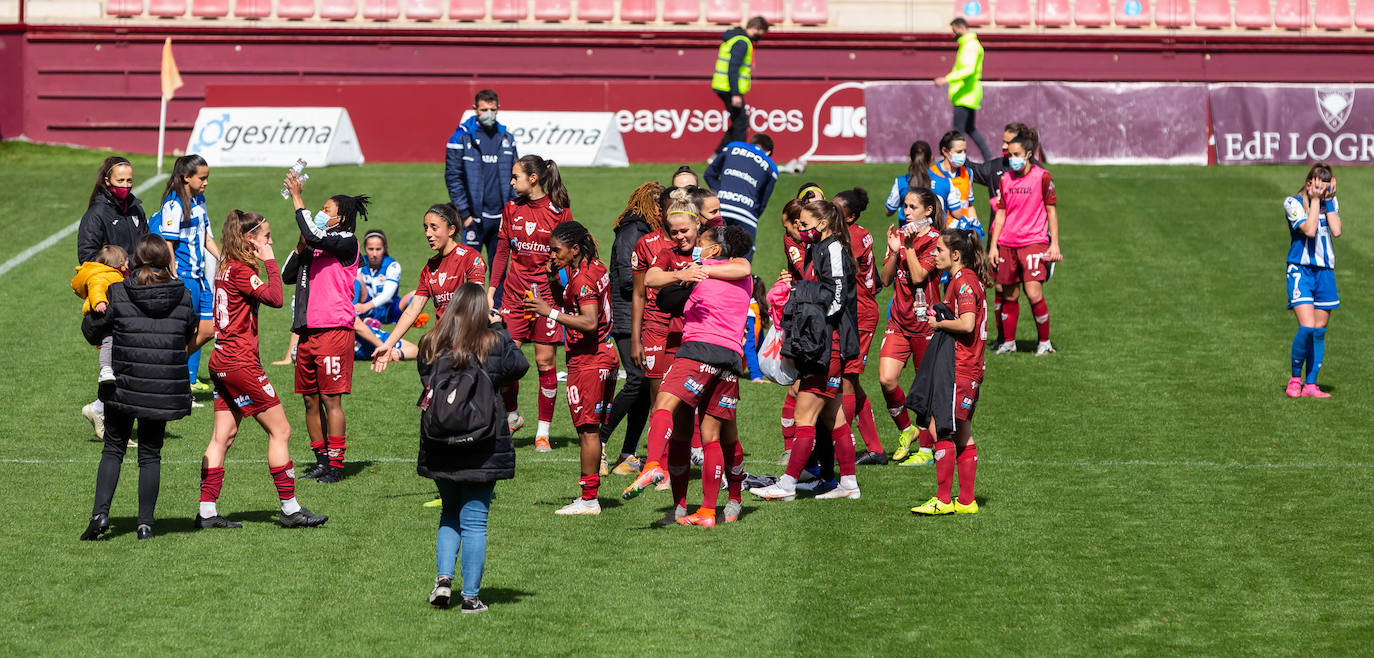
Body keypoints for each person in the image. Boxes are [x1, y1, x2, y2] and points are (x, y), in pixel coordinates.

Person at [198, 209, 328, 530]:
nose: (270, 241)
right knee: (280, 430)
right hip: (241, 363)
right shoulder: (241, 269)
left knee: (222, 436)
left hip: (220, 361)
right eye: (266, 236)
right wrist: (269, 259)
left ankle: (207, 512)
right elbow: (275, 297)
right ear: (249, 239)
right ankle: (290, 509)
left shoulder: (225, 266)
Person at [416, 283, 528, 613]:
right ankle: (471, 598)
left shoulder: (431, 342)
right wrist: (500, 327)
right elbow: (518, 367)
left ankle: (443, 581)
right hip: (483, 442)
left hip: (440, 442)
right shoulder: (491, 342)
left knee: (449, 512)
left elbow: (427, 381)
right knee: (475, 521)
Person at [79, 234, 197, 541]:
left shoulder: (119, 291)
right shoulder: (182, 294)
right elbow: (189, 330)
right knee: (150, 454)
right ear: (166, 261)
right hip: (160, 387)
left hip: (123, 383)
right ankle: (145, 524)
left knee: (113, 449)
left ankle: (100, 515)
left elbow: (93, 330)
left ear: (134, 261)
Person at [641, 226, 755, 527]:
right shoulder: (735, 275)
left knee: (665, 405)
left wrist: (694, 270)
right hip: (730, 360)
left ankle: (654, 464)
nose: (694, 247)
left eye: (701, 243)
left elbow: (656, 286)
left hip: (698, 351)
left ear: (715, 250)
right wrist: (689, 274)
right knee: (717, 435)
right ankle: (711, 508)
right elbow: (667, 297)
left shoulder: (708, 270)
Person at [751, 199, 862, 501]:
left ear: (823, 224)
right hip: (822, 341)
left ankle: (787, 485)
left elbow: (836, 298)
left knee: (804, 415)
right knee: (833, 418)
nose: (800, 230)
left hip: (827, 344)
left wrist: (798, 292)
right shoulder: (819, 249)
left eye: (804, 224)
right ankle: (849, 484)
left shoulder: (834, 249)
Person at [522, 221, 619, 516]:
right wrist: (553, 283)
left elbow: (588, 321)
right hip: (605, 354)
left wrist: (547, 311)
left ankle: (589, 499)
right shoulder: (592, 267)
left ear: (574, 249)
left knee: (587, 432)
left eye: (556, 250)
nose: (551, 255)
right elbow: (574, 301)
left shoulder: (582, 279)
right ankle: (588, 496)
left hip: (590, 360)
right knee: (591, 431)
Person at [281, 171, 370, 483]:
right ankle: (320, 459)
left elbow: (319, 236)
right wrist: (302, 240)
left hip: (333, 330)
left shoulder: (347, 242)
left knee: (332, 399)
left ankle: (336, 464)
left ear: (341, 216)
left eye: (327, 209)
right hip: (307, 331)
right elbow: (287, 275)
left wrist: (297, 197)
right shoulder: (316, 245)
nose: (321, 212)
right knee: (309, 399)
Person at [621, 190, 704, 499]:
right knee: (661, 400)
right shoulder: (653, 246)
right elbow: (644, 288)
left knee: (692, 399)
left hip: (695, 329)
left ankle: (698, 459)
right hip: (657, 329)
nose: (679, 234)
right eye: (675, 228)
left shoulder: (707, 245)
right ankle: (661, 468)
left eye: (685, 228)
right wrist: (636, 337)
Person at [489, 156, 574, 451]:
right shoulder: (511, 209)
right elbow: (501, 252)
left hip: (546, 297)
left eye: (516, 177)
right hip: (513, 295)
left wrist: (562, 282)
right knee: (507, 362)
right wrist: (492, 290)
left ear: (534, 178)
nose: (511, 182)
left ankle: (542, 434)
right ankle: (512, 415)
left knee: (544, 362)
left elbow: (570, 257)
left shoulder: (559, 212)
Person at [910, 229, 990, 515]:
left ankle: (943, 500)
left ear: (955, 255)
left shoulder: (964, 282)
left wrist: (940, 325)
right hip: (970, 368)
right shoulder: (964, 279)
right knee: (962, 432)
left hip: (960, 368)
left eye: (940, 251)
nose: (935, 254)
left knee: (939, 426)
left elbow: (967, 324)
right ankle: (967, 501)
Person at [371, 203, 488, 373]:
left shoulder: (470, 258)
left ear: (451, 230)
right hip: (443, 348)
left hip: (469, 346)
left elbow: (477, 303)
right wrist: (388, 345)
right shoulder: (430, 267)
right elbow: (413, 309)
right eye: (426, 228)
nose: (428, 234)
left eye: (434, 228)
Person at [599, 182, 666, 474]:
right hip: (627, 318)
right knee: (637, 380)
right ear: (651, 206)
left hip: (641, 316)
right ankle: (598, 440)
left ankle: (628, 455)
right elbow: (628, 280)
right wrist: (661, 276)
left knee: (642, 385)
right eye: (661, 207)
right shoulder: (632, 233)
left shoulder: (644, 233)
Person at [880, 189, 945, 466]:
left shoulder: (934, 241)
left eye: (912, 207)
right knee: (886, 380)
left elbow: (919, 276)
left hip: (925, 324)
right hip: (898, 321)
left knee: (926, 390)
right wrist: (894, 253)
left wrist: (906, 246)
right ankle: (908, 430)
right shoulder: (900, 237)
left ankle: (927, 452)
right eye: (905, 206)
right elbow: (884, 280)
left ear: (928, 211)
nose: (906, 211)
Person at [988, 135, 1060, 356]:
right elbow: (1000, 213)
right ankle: (1009, 342)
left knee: (1033, 292)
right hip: (1007, 244)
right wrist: (993, 246)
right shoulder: (1006, 180)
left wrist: (1054, 244)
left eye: (1016, 154)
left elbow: (1051, 211)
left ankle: (1045, 343)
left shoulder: (1042, 177)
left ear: (1029, 154)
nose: (1012, 159)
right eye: (1010, 155)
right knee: (1009, 294)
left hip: (1033, 242)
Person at [151, 154, 217, 393]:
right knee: (185, 330)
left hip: (199, 277)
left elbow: (207, 236)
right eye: (202, 178)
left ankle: (170, 365)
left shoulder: (200, 200)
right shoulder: (173, 203)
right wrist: (173, 272)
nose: (206, 182)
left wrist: (225, 259)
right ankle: (177, 380)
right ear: (186, 177)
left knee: (209, 329)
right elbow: (168, 243)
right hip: (185, 277)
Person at [833, 188, 886, 465]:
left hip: (859, 314)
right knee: (850, 378)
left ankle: (843, 445)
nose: (831, 213)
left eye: (837, 210)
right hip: (853, 311)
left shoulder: (850, 237)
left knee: (846, 379)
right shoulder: (854, 232)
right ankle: (875, 449)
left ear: (850, 216)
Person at [1284, 163, 1341, 398]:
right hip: (1301, 271)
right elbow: (1309, 230)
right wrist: (1316, 201)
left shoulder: (1331, 202)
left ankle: (1311, 384)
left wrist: (1327, 202)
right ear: (1309, 184)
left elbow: (1336, 231)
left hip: (1325, 272)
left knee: (1319, 331)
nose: (1321, 189)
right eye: (1317, 184)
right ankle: (1295, 379)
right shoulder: (1292, 203)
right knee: (1306, 327)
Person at [446, 89, 519, 265]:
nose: (489, 114)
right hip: (473, 220)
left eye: (492, 110)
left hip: (501, 219)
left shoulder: (507, 138)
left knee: (499, 273)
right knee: (469, 271)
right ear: (475, 109)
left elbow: (516, 177)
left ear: (498, 109)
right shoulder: (460, 138)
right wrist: (465, 215)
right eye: (484, 110)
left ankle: (496, 295)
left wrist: (513, 212)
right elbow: (453, 178)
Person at [72, 245, 129, 433]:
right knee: (109, 342)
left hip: (111, 318)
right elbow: (97, 288)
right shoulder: (102, 275)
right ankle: (104, 370)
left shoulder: (110, 274)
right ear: (120, 265)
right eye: (126, 262)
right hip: (104, 316)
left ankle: (98, 410)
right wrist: (100, 302)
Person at [705, 133, 778, 256]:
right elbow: (763, 201)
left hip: (722, 208)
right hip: (747, 216)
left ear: (751, 142)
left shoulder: (732, 147)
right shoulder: (771, 167)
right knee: (741, 264)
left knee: (711, 253)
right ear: (768, 152)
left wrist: (721, 193)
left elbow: (709, 174)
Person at [710, 16, 769, 156]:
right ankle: (737, 155)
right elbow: (733, 69)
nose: (760, 37)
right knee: (741, 122)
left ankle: (719, 153)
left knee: (738, 121)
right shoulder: (742, 43)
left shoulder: (735, 38)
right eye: (760, 33)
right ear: (755, 28)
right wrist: (735, 94)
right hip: (729, 88)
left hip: (724, 86)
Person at [935, 18, 992, 161]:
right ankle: (987, 157)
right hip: (967, 92)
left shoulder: (970, 45)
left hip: (966, 93)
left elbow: (968, 69)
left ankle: (959, 160)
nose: (953, 34)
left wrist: (946, 79)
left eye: (954, 30)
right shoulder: (968, 44)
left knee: (958, 130)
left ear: (960, 27)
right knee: (969, 128)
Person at [930, 130, 983, 238]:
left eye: (965, 151)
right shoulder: (932, 174)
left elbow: (969, 205)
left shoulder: (968, 172)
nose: (963, 155)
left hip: (964, 234)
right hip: (943, 235)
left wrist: (976, 227)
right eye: (959, 152)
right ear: (945, 151)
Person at [355, 230, 413, 325]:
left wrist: (366, 307)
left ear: (384, 248)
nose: (374, 254)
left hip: (389, 309)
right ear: (365, 248)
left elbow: (388, 294)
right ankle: (355, 316)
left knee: (414, 295)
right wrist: (362, 307)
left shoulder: (393, 265)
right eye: (370, 249)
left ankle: (411, 319)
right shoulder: (359, 263)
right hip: (364, 306)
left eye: (378, 249)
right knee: (357, 278)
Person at [884, 141, 934, 226]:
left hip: (907, 235)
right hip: (934, 235)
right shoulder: (943, 181)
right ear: (931, 158)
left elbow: (889, 210)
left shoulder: (901, 182)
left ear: (910, 159)